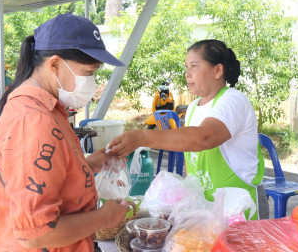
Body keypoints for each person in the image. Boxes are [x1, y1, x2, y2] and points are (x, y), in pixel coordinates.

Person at [0, 14, 129, 252]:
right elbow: (36, 234)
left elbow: (44, 173)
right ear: (54, 65)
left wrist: (86, 165)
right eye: (88, 72)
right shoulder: (33, 120)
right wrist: (105, 216)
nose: (91, 82)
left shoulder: (44, 107)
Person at [109, 39, 269, 220]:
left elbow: (204, 138)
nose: (187, 73)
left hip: (241, 210)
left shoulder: (233, 101)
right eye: (186, 67)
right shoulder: (193, 107)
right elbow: (191, 157)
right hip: (208, 210)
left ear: (217, 70)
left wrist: (141, 137)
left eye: (194, 66)